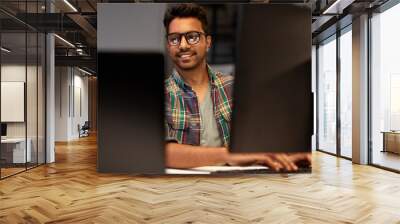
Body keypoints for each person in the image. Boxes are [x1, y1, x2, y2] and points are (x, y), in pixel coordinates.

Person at [163, 3, 311, 171]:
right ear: (169, 45)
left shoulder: (235, 88)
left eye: (192, 37)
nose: (183, 45)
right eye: (174, 38)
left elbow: (262, 138)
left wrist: (284, 153)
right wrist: (229, 155)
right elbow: (162, 151)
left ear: (208, 42)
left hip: (237, 185)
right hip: (181, 188)